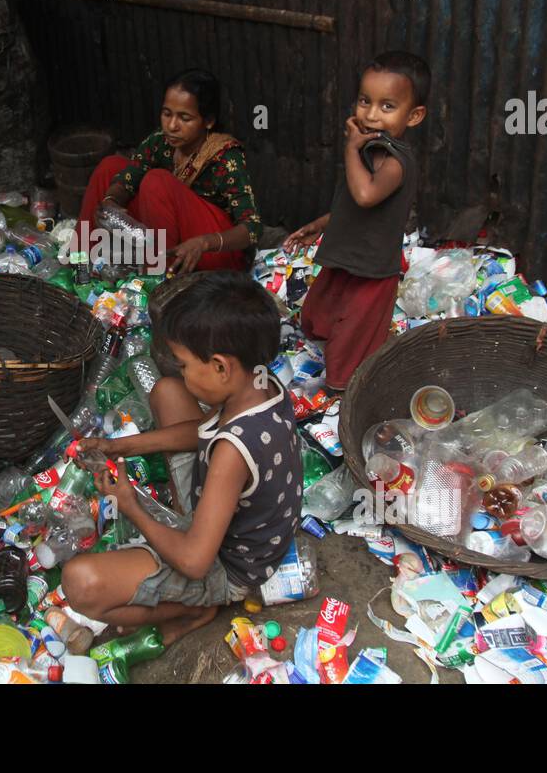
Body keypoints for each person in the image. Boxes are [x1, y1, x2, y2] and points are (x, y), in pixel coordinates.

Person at [62, 272, 301, 646]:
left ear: (221, 367)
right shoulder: (260, 383)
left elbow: (194, 562)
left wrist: (130, 504)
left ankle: (195, 609)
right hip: (229, 514)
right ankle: (185, 521)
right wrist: (120, 447)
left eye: (186, 364)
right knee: (167, 391)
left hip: (225, 567)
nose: (181, 370)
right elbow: (202, 431)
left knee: (81, 583)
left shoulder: (233, 451)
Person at [283, 51, 430, 391]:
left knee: (355, 334)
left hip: (372, 268)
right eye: (365, 101)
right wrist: (320, 224)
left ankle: (343, 392)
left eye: (387, 106)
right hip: (346, 255)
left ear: (415, 115)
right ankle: (323, 348)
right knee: (319, 314)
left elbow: (366, 195)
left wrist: (350, 149)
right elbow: (354, 202)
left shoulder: (394, 160)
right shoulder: (370, 149)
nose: (372, 114)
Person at [77, 69, 261, 274]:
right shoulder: (160, 142)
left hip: (212, 252)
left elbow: (252, 228)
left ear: (208, 121)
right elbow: (130, 176)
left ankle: (156, 282)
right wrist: (112, 201)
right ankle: (79, 263)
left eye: (185, 118)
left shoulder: (225, 157)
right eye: (167, 114)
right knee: (110, 167)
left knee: (156, 181)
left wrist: (204, 243)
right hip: (170, 239)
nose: (172, 125)